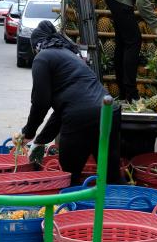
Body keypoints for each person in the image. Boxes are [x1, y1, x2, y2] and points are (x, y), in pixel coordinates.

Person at [14, 20, 122, 185]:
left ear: (36, 45)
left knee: (70, 176)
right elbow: (62, 111)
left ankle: (72, 208)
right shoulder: (70, 55)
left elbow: (41, 102)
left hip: (81, 117)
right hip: (109, 112)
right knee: (110, 174)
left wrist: (28, 132)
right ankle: (119, 208)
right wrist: (39, 140)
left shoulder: (42, 58)